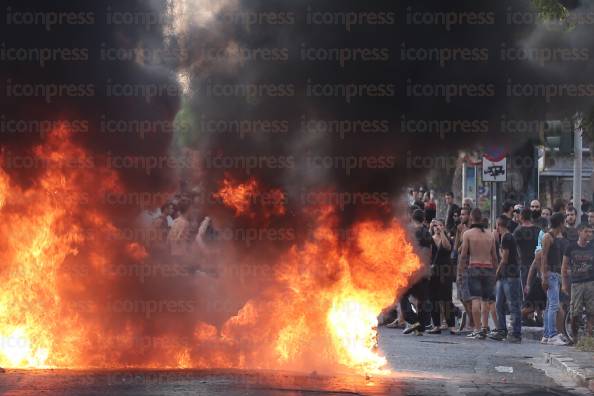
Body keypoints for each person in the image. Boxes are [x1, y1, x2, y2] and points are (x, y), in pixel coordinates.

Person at [458, 208, 498, 339]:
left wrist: (460, 271)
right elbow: (494, 256)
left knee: (475, 299)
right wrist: (496, 272)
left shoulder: (468, 234)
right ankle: (485, 328)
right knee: (486, 300)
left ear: (471, 218)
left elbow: (463, 255)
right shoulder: (490, 234)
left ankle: (477, 329)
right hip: (488, 269)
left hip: (474, 267)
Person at [399, 209, 432, 335]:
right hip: (423, 271)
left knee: (402, 296)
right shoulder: (427, 233)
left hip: (410, 271)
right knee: (423, 298)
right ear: (423, 220)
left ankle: (413, 320)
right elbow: (429, 252)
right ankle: (421, 326)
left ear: (412, 219)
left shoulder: (408, 232)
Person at [489, 216, 522, 343]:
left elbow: (505, 259)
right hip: (505, 276)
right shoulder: (506, 237)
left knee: (513, 304)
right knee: (499, 304)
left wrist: (496, 273)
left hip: (510, 276)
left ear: (498, 225)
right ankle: (502, 330)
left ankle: (516, 332)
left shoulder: (506, 238)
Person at [561, 224, 594, 342]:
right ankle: (574, 338)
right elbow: (564, 267)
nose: (589, 234)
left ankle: (590, 337)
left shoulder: (592, 246)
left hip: (591, 283)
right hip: (576, 283)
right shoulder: (571, 247)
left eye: (591, 232)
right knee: (575, 312)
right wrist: (564, 284)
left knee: (591, 311)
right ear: (579, 232)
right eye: (586, 231)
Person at [541, 212, 570, 345]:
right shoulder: (548, 236)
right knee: (554, 305)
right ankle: (552, 334)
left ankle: (547, 334)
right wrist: (544, 276)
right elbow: (543, 257)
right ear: (560, 223)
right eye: (563, 222)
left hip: (555, 275)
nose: (565, 225)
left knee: (549, 306)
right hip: (550, 274)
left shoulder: (557, 236)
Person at [427, 219, 456, 334]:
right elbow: (427, 253)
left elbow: (448, 247)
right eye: (435, 225)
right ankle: (436, 325)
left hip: (445, 272)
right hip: (433, 272)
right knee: (434, 299)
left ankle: (451, 325)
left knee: (447, 299)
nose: (437, 227)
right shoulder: (430, 239)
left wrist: (443, 233)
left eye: (439, 225)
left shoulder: (447, 239)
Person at [454, 207, 474, 332]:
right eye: (460, 214)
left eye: (463, 214)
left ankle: (472, 321)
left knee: (467, 296)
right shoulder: (460, 228)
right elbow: (456, 248)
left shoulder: (472, 230)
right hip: (460, 264)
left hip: (469, 266)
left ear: (470, 216)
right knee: (461, 296)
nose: (461, 217)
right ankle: (469, 317)